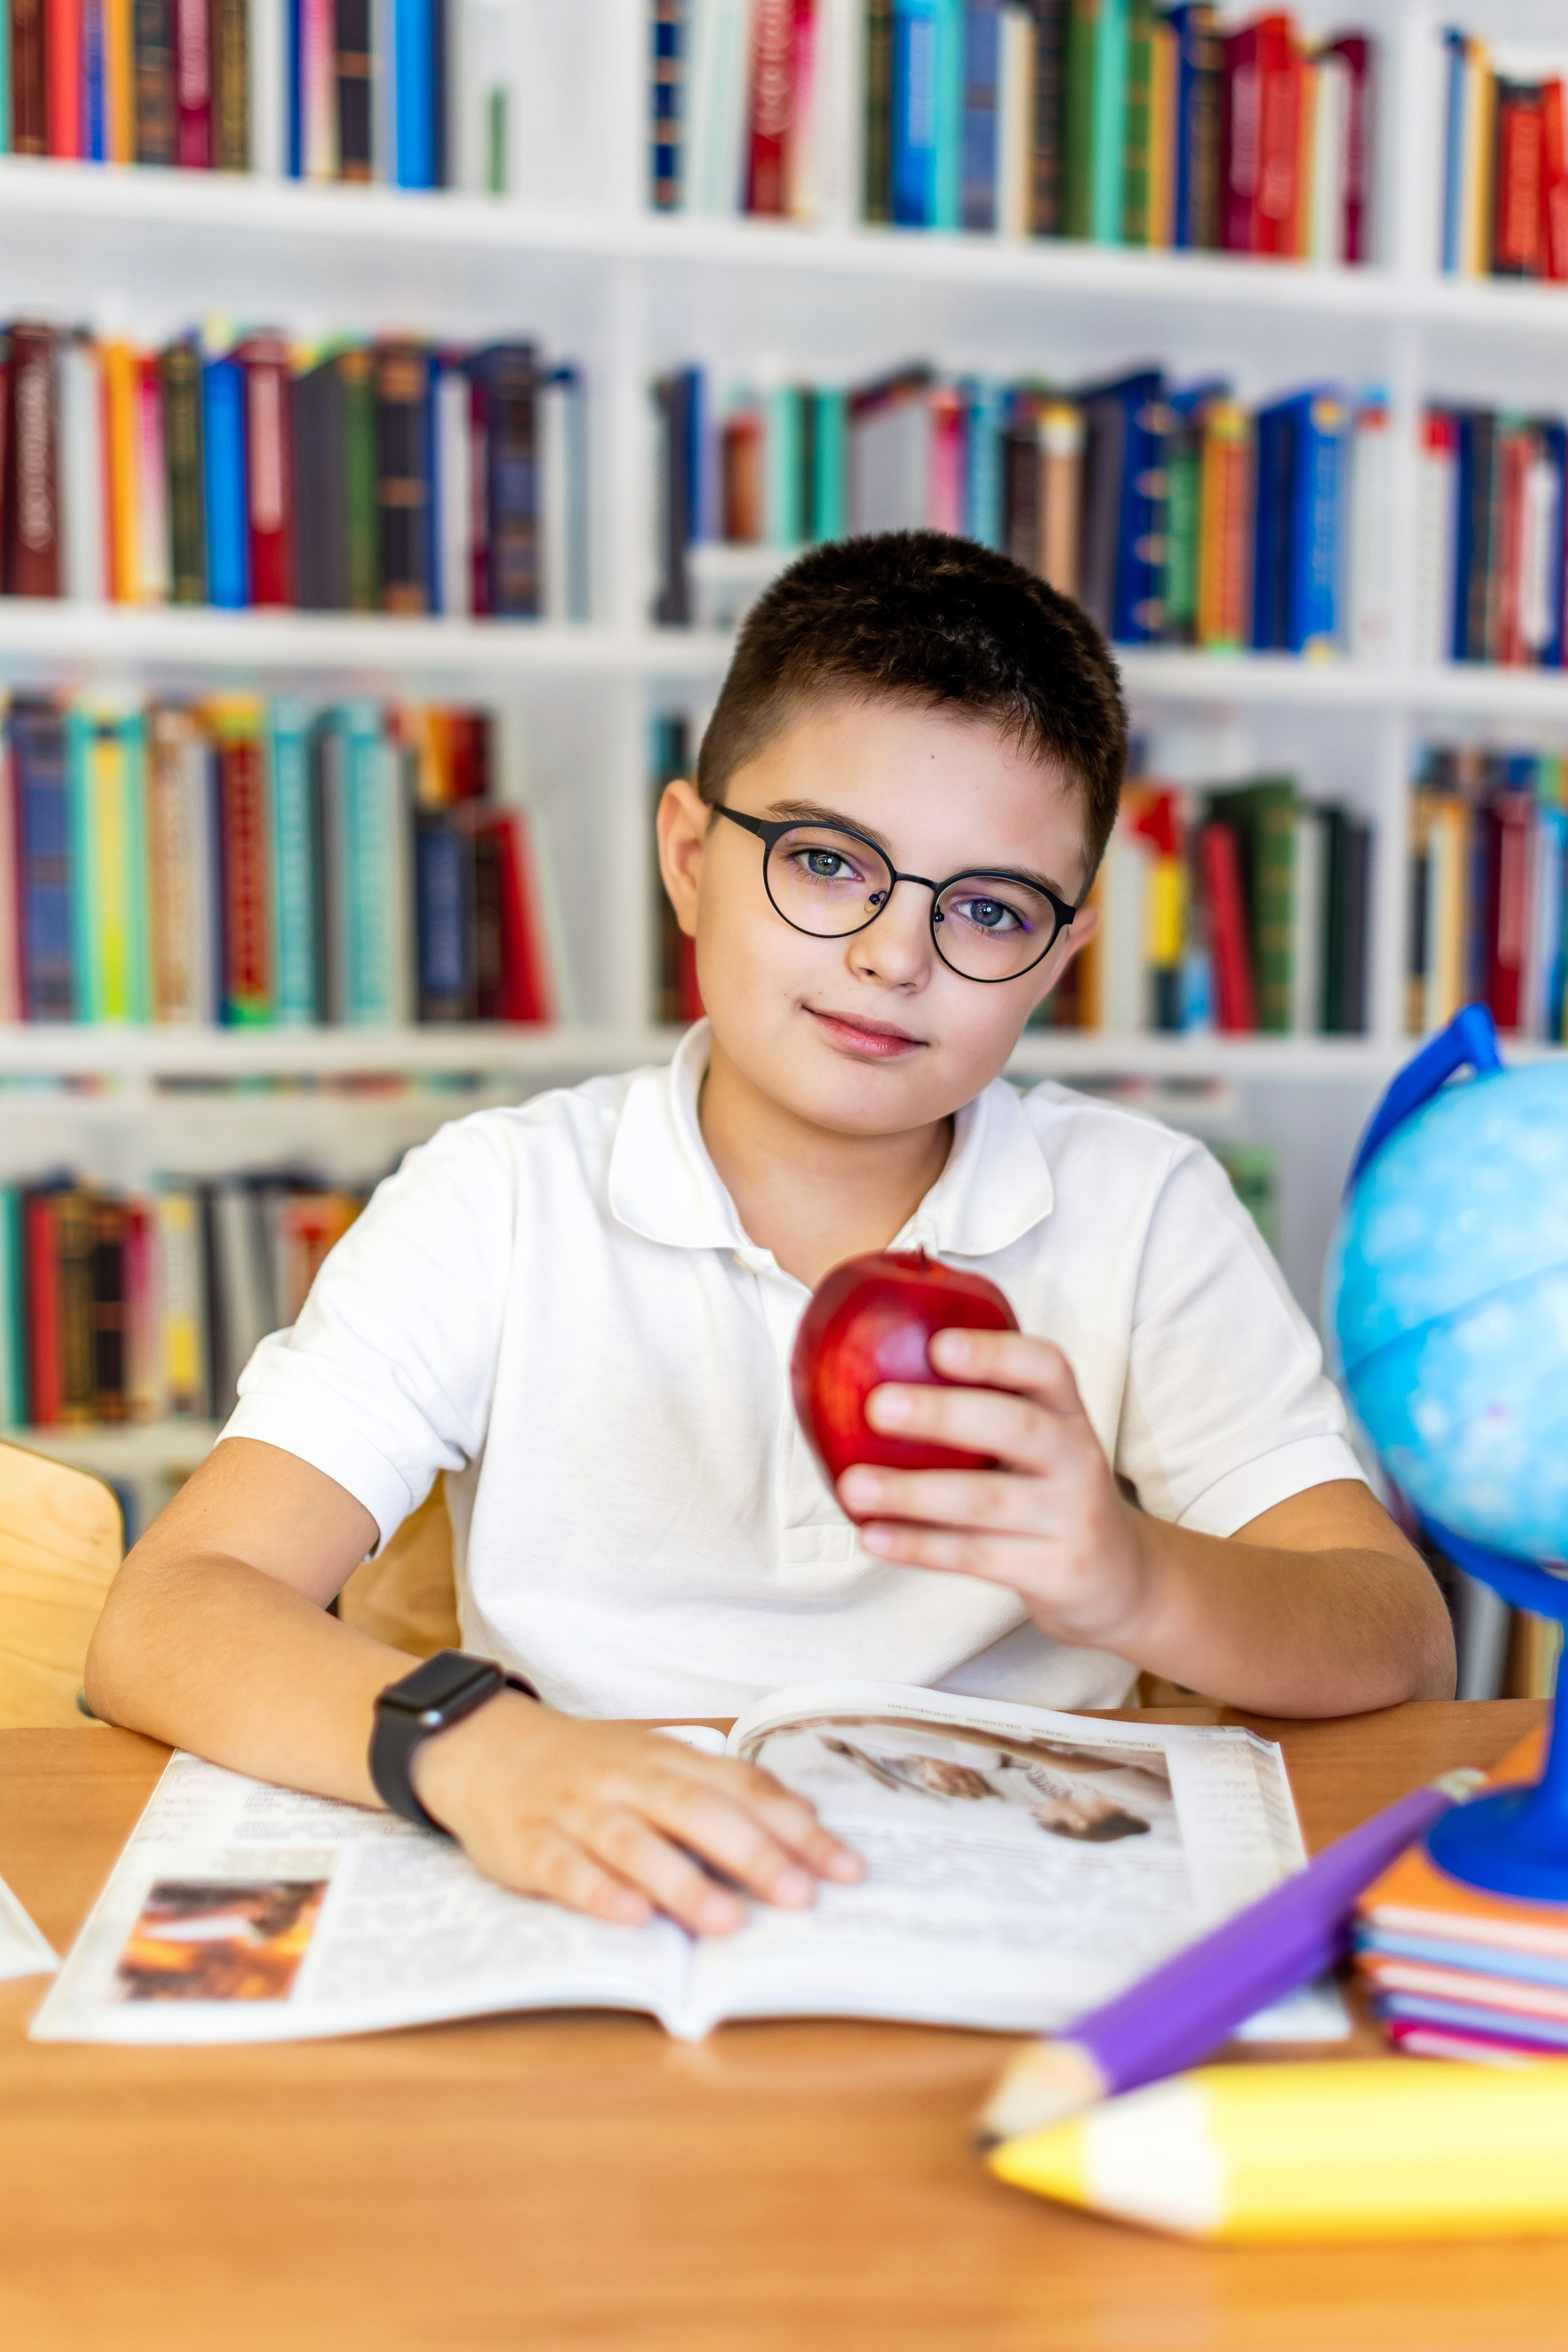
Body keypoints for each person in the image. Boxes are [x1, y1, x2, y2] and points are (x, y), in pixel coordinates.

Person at [86, 532, 1454, 1943]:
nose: (891, 955)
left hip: (1000, 1919)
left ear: (1058, 955)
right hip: (578, 1886)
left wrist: (1130, 1570)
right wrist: (481, 1752)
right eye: (825, 862)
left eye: (986, 908)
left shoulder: (1138, 1207)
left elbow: (1391, 1630)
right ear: (690, 859)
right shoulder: (496, 1199)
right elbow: (175, 1610)